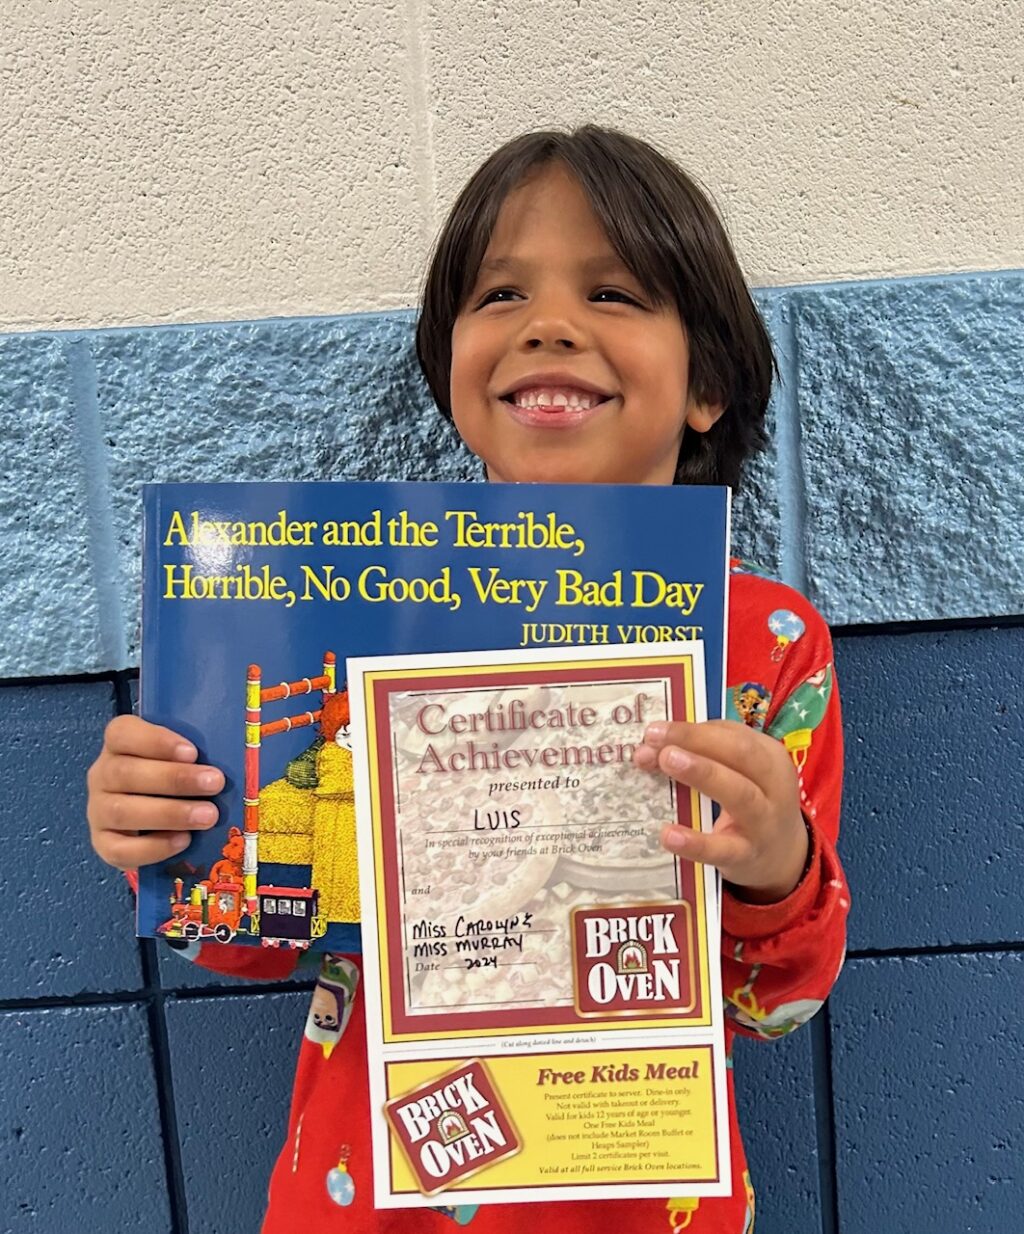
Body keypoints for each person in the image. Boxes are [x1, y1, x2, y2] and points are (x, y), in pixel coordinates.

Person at [86, 125, 849, 1232]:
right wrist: (168, 830)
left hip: (638, 1186)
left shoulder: (768, 643)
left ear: (709, 383)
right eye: (498, 294)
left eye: (615, 292)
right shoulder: (353, 617)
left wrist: (775, 865)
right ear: (451, 372)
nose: (547, 323)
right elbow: (253, 936)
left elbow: (774, 1003)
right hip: (367, 1192)